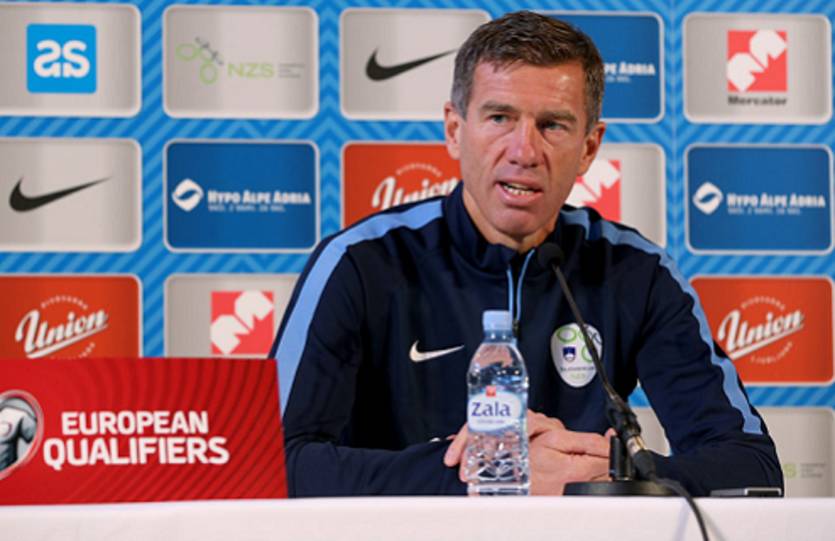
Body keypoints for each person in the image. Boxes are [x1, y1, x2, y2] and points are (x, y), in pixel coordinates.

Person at [270, 11, 782, 497]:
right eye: (499, 117)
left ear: (589, 148)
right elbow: (273, 463)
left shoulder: (635, 271)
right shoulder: (360, 263)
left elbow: (753, 467)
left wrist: (604, 473)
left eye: (553, 125)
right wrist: (483, 472)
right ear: (454, 130)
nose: (524, 151)